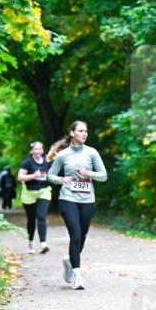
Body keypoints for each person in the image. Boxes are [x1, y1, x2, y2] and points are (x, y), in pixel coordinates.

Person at [47, 120, 107, 290]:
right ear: (72, 133)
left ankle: (69, 261)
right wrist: (61, 179)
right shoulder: (63, 155)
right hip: (68, 199)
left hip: (87, 200)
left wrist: (89, 173)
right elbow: (50, 176)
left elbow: (103, 176)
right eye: (80, 131)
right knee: (75, 235)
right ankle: (78, 277)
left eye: (86, 131)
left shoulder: (92, 153)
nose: (84, 133)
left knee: (82, 235)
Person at [17, 141, 52, 254]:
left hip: (44, 191)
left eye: (40, 149)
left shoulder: (47, 161)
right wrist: (33, 176)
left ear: (42, 150)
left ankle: (43, 244)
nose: (38, 151)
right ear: (32, 151)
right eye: (35, 149)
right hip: (29, 193)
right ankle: (31, 243)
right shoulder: (27, 162)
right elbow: (20, 177)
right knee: (31, 219)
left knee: (41, 216)